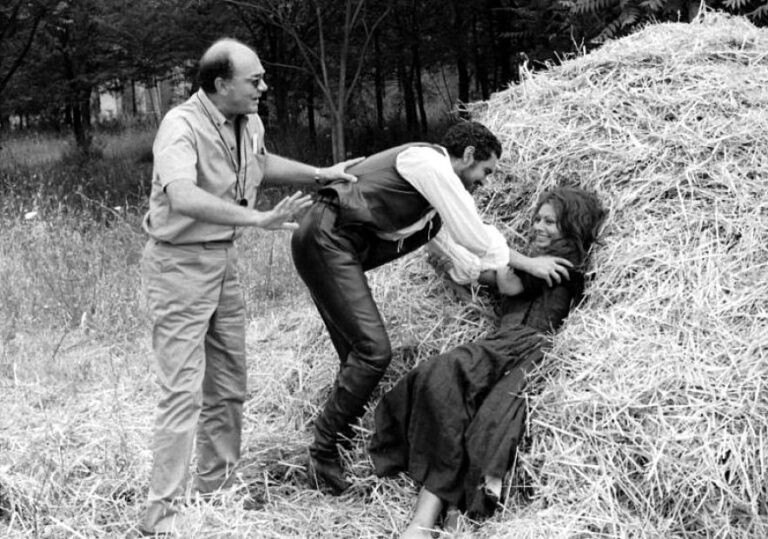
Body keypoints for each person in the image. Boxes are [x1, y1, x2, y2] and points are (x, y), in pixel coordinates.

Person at [138, 37, 361, 536]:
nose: (264, 85)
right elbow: (181, 196)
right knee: (182, 393)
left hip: (222, 262)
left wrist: (322, 172)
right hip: (178, 267)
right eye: (253, 79)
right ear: (221, 84)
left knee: (229, 387)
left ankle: (216, 492)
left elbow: (260, 163)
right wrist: (256, 218)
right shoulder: (180, 126)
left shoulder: (249, 121)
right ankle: (162, 515)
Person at [291, 121, 576, 495]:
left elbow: (465, 259)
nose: (484, 182)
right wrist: (527, 262)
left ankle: (334, 448)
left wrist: (501, 276)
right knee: (374, 352)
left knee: (358, 357)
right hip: (326, 240)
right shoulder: (428, 163)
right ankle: (321, 451)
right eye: (485, 171)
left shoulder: (430, 208)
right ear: (469, 155)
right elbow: (473, 233)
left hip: (331, 247)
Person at [369, 187, 607, 538]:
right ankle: (439, 519)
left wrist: (464, 246)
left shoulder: (559, 263)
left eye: (551, 222)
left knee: (447, 381)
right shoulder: (535, 264)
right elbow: (494, 282)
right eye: (537, 219)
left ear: (571, 227)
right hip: (502, 347)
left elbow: (505, 278)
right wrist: (448, 266)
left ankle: (428, 523)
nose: (539, 227)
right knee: (456, 404)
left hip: (521, 350)